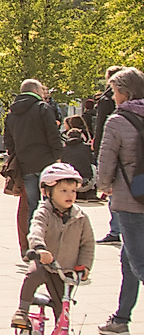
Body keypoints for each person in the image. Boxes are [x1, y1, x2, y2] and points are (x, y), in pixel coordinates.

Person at [11, 163, 94, 330]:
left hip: (65, 269)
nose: (69, 195)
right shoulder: (44, 212)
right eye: (63, 191)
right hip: (45, 262)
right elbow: (36, 230)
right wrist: (40, 249)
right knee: (33, 274)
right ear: (48, 192)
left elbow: (87, 244)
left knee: (61, 307)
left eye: (73, 191)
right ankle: (22, 310)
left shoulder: (81, 217)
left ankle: (61, 329)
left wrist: (84, 266)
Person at [96, 66, 144, 333]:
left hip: (130, 199)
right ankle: (121, 318)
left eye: (114, 92)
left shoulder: (117, 120)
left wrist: (104, 187)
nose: (113, 97)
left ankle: (121, 318)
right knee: (129, 259)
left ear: (124, 93)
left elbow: (106, 162)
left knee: (138, 262)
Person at [4, 78, 63, 230]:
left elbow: (8, 141)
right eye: (42, 91)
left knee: (32, 203)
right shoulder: (42, 108)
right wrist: (58, 155)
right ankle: (49, 233)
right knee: (50, 201)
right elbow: (52, 133)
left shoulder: (12, 113)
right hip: (46, 161)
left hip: (25, 163)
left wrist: (16, 154)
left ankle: (34, 236)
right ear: (35, 91)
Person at [97, 66, 128, 245]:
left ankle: (116, 229)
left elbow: (101, 126)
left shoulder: (107, 102)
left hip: (113, 150)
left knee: (115, 194)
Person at [61, 123, 96, 199]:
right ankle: (92, 192)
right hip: (87, 183)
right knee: (93, 166)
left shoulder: (63, 150)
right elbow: (91, 161)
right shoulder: (87, 148)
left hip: (69, 184)